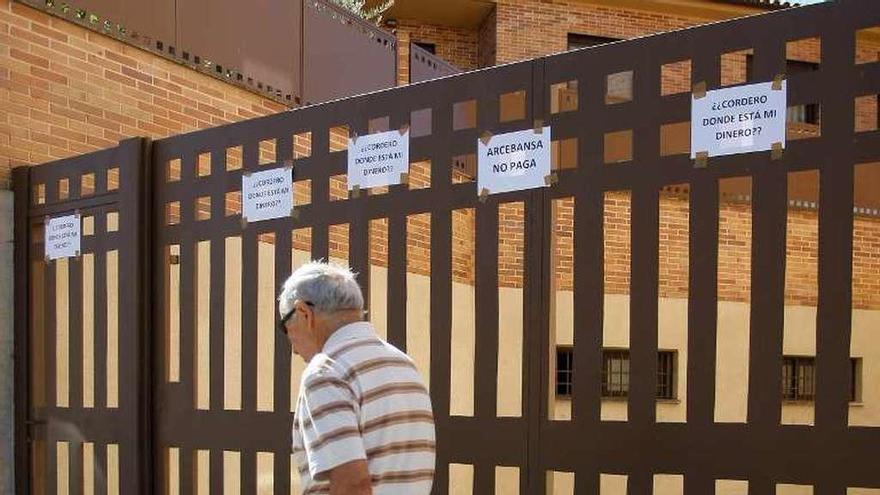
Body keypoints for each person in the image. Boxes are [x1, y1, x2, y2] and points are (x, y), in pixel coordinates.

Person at [278, 261, 435, 495]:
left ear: (303, 313)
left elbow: (352, 485)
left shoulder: (326, 371)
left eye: (285, 327)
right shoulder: (403, 363)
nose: (294, 349)